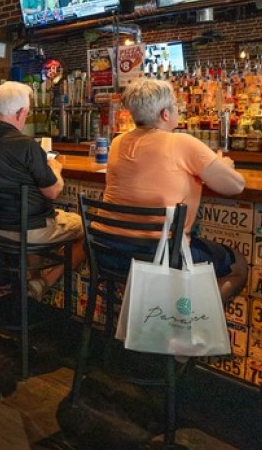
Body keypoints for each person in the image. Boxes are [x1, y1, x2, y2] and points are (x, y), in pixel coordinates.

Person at [98, 78, 249, 300]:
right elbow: (235, 186)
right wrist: (223, 165)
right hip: (162, 258)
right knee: (239, 265)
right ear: (165, 114)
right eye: (175, 105)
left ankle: (150, 319)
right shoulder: (182, 143)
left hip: (108, 253)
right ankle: (185, 320)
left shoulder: (117, 143)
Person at [0, 82, 83, 296]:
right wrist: (55, 169)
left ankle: (29, 282)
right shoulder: (27, 146)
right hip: (26, 230)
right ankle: (43, 282)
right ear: (21, 112)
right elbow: (53, 192)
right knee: (87, 229)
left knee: (31, 215)